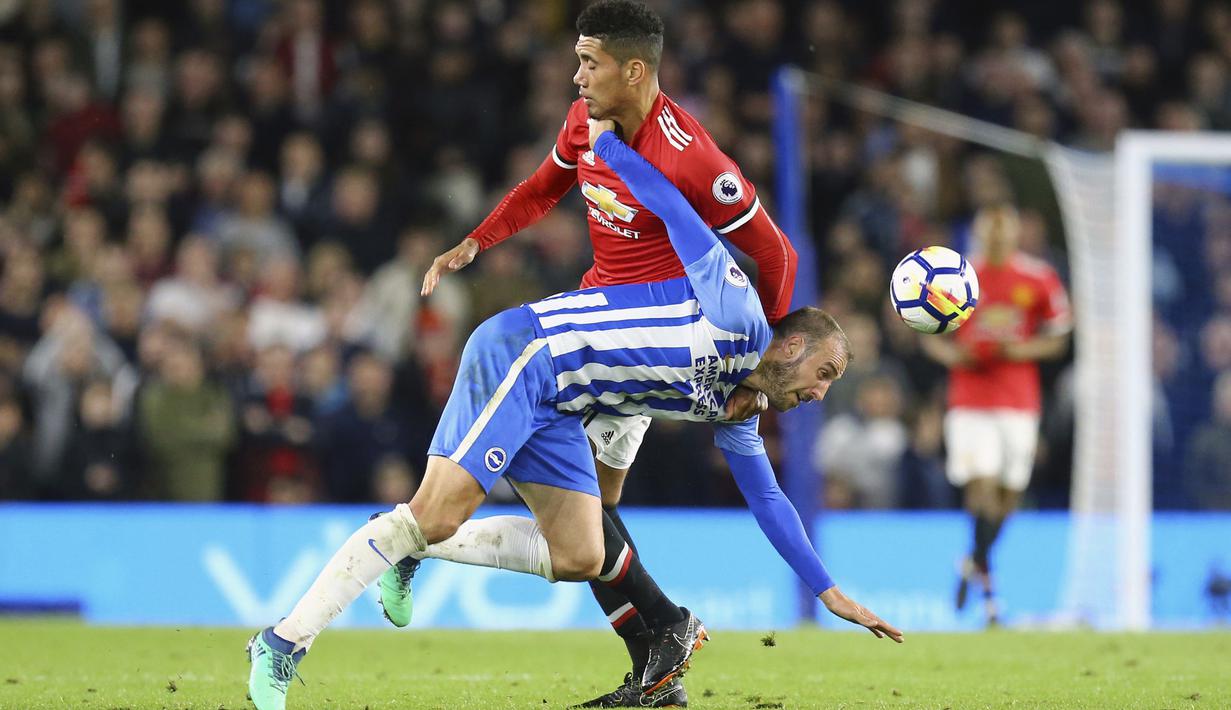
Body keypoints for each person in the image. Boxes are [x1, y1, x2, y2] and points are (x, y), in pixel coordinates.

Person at [247, 121, 901, 710]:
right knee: (436, 513)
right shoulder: (736, 312)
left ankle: (409, 538)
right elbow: (675, 210)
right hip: (526, 355)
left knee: (582, 552)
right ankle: (282, 642)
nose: (820, 393)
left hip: (567, 402)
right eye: (824, 373)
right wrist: (609, 145)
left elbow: (768, 498)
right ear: (790, 344)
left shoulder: (737, 409)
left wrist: (826, 591)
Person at [406, 3, 798, 704]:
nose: (575, 74)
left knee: (581, 517)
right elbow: (541, 189)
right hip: (593, 326)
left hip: (647, 347)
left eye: (589, 62)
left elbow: (773, 252)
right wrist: (477, 240)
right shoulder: (581, 122)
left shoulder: (692, 157)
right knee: (592, 512)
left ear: (634, 69)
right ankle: (659, 655)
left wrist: (758, 367)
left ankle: (663, 630)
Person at [919, 205, 1071, 626]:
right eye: (993, 233)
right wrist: (952, 354)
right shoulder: (960, 279)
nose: (1000, 239)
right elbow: (926, 331)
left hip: (1019, 401)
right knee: (981, 489)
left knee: (1008, 498)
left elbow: (1058, 337)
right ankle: (990, 601)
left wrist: (1021, 350)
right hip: (970, 400)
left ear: (1017, 234)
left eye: (1007, 232)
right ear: (982, 234)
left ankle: (971, 562)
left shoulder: (1038, 278)